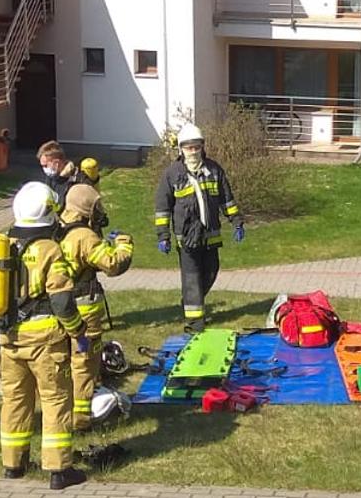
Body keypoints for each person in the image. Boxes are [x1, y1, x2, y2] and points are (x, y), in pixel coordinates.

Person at [0, 182, 85, 490]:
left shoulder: (4, 245)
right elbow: (61, 301)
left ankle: (13, 464)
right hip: (44, 339)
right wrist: (78, 331)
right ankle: (59, 470)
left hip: (10, 339)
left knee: (16, 400)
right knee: (55, 399)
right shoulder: (50, 250)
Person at [58, 176, 134, 437]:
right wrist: (124, 244)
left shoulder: (55, 229)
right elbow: (112, 264)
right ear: (86, 209)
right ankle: (81, 419)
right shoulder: (84, 236)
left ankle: (61, 411)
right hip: (84, 310)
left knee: (63, 361)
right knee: (84, 362)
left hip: (58, 309)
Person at [154, 124, 246, 333]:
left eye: (196, 147)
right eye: (188, 148)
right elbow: (162, 209)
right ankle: (195, 323)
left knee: (211, 271)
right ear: (181, 149)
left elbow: (226, 200)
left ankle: (189, 299)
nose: (193, 151)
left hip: (210, 234)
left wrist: (236, 221)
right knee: (192, 276)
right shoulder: (172, 174)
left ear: (202, 147)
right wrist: (163, 236)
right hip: (186, 237)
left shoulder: (214, 170)